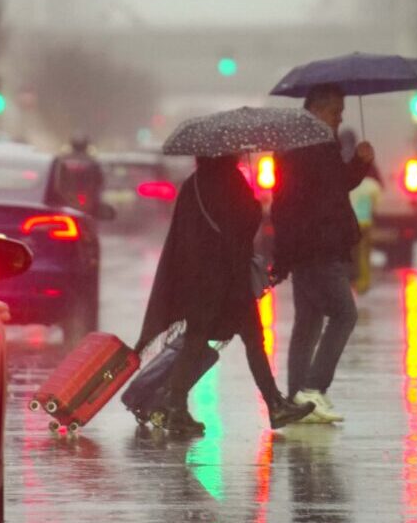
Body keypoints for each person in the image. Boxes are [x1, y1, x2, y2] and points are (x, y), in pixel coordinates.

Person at [133, 155, 315, 434]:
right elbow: (245, 223)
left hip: (198, 279)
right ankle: (273, 405)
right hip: (229, 279)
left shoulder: (192, 184)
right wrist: (254, 205)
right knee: (253, 340)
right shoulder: (230, 181)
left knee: (197, 341)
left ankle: (176, 406)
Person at [273, 84, 377, 425]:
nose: (341, 117)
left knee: (308, 321)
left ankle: (297, 399)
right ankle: (313, 390)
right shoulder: (313, 145)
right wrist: (357, 165)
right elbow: (321, 196)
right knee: (345, 315)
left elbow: (333, 185)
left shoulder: (301, 143)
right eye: (336, 111)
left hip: (305, 248)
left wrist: (359, 164)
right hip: (319, 246)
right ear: (317, 110)